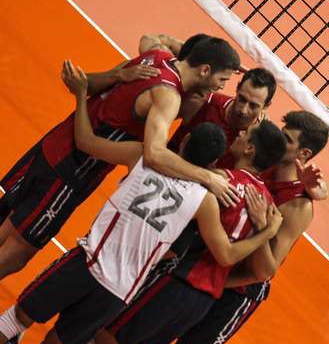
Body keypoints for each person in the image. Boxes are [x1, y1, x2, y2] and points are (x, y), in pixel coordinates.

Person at [0, 63, 279, 344]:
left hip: (92, 259)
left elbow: (88, 142)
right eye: (240, 97)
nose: (243, 109)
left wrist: (83, 94)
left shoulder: (143, 156)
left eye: (253, 106)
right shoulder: (205, 200)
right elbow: (231, 255)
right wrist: (267, 229)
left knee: (23, 321)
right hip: (126, 283)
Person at [0, 36, 241, 281]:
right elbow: (154, 154)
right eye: (222, 79)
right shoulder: (168, 97)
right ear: (205, 70)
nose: (221, 87)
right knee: (18, 251)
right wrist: (208, 177)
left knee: (8, 225)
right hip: (70, 170)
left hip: (53, 145)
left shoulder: (156, 58)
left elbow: (151, 38)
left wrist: (203, 51)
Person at [70, 119, 287, 344]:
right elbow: (262, 272)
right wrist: (268, 231)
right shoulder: (268, 206)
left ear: (250, 149)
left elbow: (161, 164)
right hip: (202, 302)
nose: (239, 134)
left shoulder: (220, 181)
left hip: (176, 280)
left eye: (246, 133)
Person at [155, 111, 329, 344]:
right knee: (141, 339)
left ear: (303, 154)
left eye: (286, 139)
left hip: (236, 291)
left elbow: (265, 271)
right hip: (209, 263)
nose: (277, 141)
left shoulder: (298, 205)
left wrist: (263, 227)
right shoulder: (265, 162)